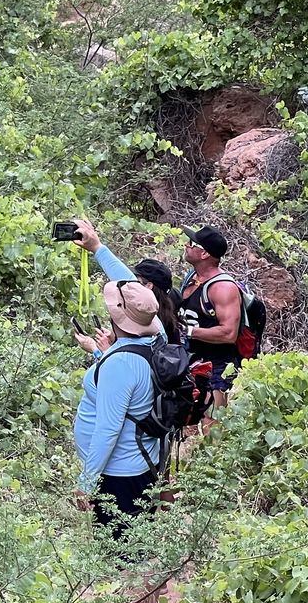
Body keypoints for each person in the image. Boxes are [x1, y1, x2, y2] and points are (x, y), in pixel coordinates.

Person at [73, 277, 166, 529]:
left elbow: (108, 430)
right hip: (142, 462)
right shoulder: (156, 339)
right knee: (136, 541)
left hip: (120, 475)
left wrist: (86, 483)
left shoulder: (120, 364)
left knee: (118, 548)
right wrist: (98, 351)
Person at [71, 219, 181, 344]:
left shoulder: (148, 321)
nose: (128, 285)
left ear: (148, 286)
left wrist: (99, 350)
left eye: (136, 280)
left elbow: (130, 353)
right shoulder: (159, 320)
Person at [176, 224, 242, 405]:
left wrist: (188, 331)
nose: (186, 246)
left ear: (204, 254)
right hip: (189, 363)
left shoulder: (223, 288)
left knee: (211, 418)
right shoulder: (192, 276)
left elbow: (229, 333)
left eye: (192, 244)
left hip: (215, 370)